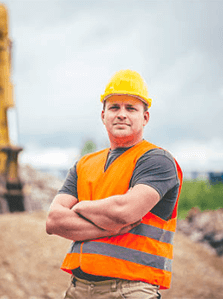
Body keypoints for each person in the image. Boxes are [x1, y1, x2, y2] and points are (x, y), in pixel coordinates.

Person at [46, 69, 183, 299]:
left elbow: (125, 211)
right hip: (78, 288)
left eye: (131, 108)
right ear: (103, 115)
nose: (121, 114)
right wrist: (110, 227)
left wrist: (80, 208)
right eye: (114, 107)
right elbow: (53, 221)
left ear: (145, 117)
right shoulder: (84, 164)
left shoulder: (157, 161)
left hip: (131, 290)